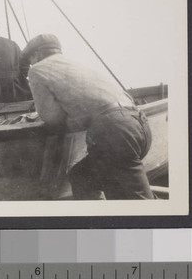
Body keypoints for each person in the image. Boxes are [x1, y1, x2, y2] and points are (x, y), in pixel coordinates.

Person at [21, 34, 154, 200]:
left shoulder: (37, 69)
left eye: (30, 58)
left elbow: (53, 119)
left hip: (114, 133)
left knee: (137, 203)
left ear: (37, 54)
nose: (31, 63)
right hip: (139, 124)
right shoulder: (74, 64)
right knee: (83, 178)